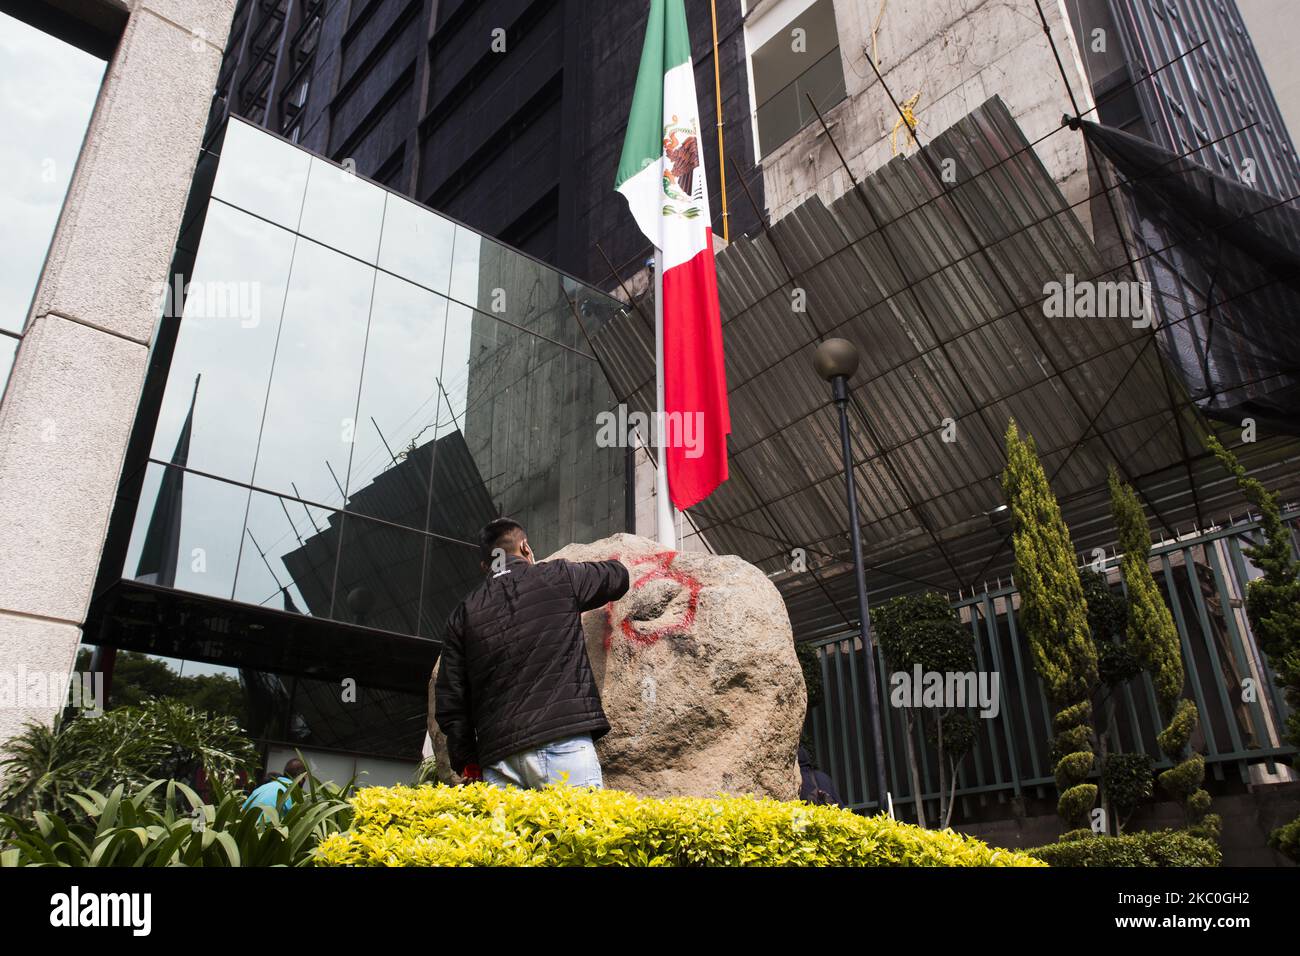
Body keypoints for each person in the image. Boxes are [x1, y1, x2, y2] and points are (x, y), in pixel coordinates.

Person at [435, 518, 629, 790]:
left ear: (484, 567)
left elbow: (451, 701)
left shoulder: (462, 615)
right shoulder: (558, 576)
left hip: (500, 761)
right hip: (564, 742)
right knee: (580, 831)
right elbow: (618, 577)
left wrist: (468, 761)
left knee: (512, 834)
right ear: (525, 547)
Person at [242, 757, 306, 819]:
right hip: (266, 828)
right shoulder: (295, 794)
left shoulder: (262, 788)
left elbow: (243, 810)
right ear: (301, 778)